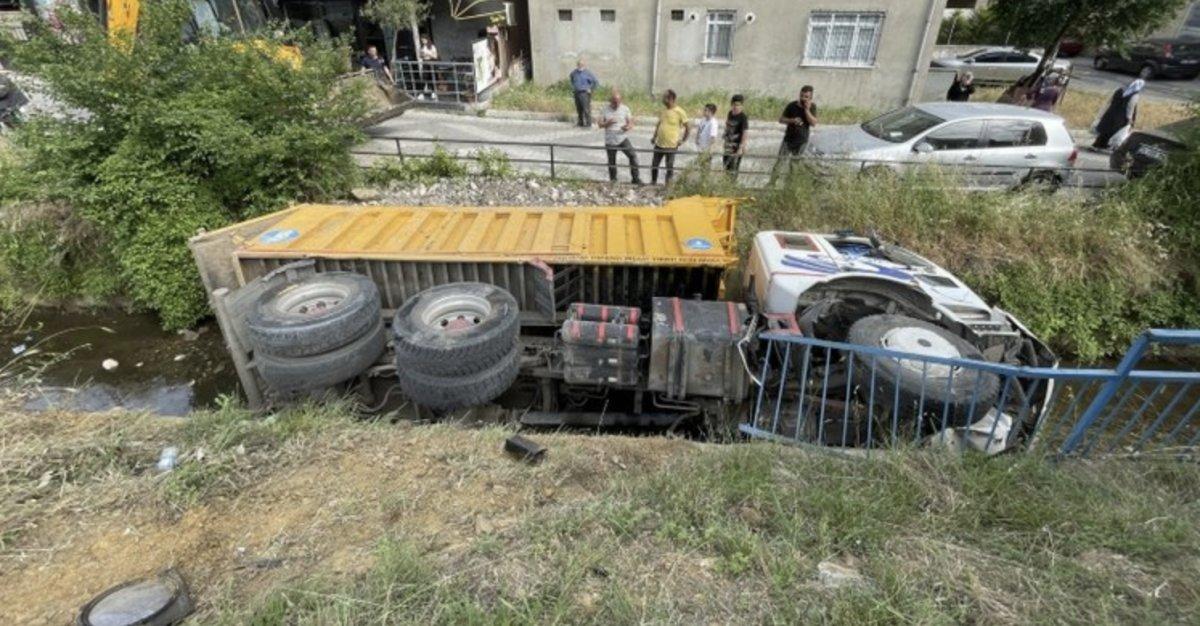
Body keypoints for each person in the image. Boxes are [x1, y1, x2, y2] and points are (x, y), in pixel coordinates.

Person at [772, 86, 817, 183]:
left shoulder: (812, 107)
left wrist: (807, 110)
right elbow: (781, 119)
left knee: (794, 165)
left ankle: (788, 185)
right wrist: (792, 120)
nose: (803, 98)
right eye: (801, 95)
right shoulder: (792, 105)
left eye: (806, 97)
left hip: (802, 141)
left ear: (810, 98)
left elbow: (813, 123)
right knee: (780, 162)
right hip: (788, 139)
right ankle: (772, 182)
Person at [598, 89, 642, 185]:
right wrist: (607, 123)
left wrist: (628, 127)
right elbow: (599, 124)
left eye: (618, 102)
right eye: (614, 102)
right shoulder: (604, 109)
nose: (617, 104)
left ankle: (635, 178)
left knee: (632, 156)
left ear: (621, 101)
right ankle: (613, 180)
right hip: (610, 139)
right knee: (612, 161)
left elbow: (630, 122)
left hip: (622, 138)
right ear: (611, 101)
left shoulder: (625, 108)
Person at [1092, 78, 1144, 150]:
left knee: (1105, 129)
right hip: (1121, 116)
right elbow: (1130, 107)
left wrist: (1103, 112)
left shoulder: (1119, 90)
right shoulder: (1134, 95)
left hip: (1110, 112)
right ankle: (1111, 146)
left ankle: (1099, 144)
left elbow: (1110, 101)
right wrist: (1129, 119)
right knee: (1115, 131)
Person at [650, 89, 689, 185]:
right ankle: (653, 182)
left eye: (664, 98)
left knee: (669, 166)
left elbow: (688, 127)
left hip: (671, 145)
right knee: (654, 165)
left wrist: (682, 140)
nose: (662, 100)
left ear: (671, 99)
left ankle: (668, 185)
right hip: (659, 144)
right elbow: (659, 124)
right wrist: (654, 137)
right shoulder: (664, 111)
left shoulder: (680, 112)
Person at [722, 94, 749, 180]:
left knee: (734, 168)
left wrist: (741, 147)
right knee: (726, 166)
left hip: (736, 146)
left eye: (738, 105)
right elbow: (728, 125)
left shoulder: (743, 117)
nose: (736, 107)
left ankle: (732, 186)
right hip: (728, 145)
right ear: (731, 105)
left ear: (742, 106)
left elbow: (745, 132)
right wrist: (725, 133)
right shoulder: (730, 113)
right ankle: (726, 185)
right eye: (734, 105)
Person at [569, 59, 599, 127]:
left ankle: (588, 123)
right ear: (577, 65)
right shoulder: (574, 73)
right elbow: (571, 79)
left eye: (582, 64)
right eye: (579, 64)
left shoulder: (588, 73)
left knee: (586, 109)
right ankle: (580, 122)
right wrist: (573, 87)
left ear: (584, 65)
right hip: (576, 92)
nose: (580, 66)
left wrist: (590, 89)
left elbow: (595, 82)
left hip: (584, 93)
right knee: (579, 109)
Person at [694, 103, 719, 169]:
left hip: (707, 150)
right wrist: (697, 138)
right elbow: (699, 129)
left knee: (706, 168)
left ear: (710, 112)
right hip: (701, 148)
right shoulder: (703, 119)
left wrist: (710, 150)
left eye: (705, 110)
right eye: (704, 110)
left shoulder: (713, 123)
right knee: (701, 167)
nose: (704, 111)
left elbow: (713, 138)